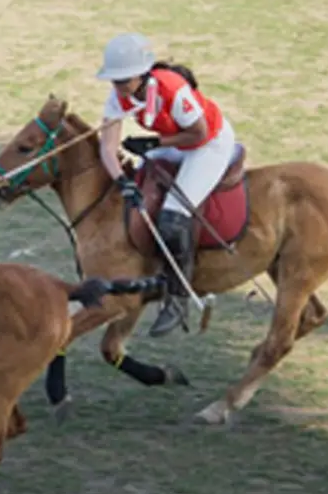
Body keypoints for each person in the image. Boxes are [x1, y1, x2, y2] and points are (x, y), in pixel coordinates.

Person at [94, 32, 239, 337]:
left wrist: (154, 142)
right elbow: (107, 147)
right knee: (141, 188)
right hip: (175, 141)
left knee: (173, 217)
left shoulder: (171, 88)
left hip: (208, 144)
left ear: (142, 75)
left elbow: (198, 133)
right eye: (114, 81)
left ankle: (177, 299)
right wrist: (122, 182)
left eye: (123, 81)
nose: (117, 87)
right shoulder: (117, 96)